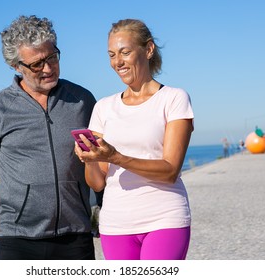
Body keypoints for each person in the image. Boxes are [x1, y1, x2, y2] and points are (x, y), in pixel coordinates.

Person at [0, 15, 97, 260]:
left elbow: (102, 162)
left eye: (52, 56)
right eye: (37, 64)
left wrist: (104, 211)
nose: (48, 67)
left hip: (76, 237)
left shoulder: (82, 100)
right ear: (16, 66)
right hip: (17, 240)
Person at [74, 19, 194, 260]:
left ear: (148, 50)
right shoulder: (103, 107)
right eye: (111, 55)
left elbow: (170, 170)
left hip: (164, 219)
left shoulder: (173, 99)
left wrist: (115, 156)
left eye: (125, 52)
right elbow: (97, 183)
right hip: (115, 224)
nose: (117, 62)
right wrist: (89, 158)